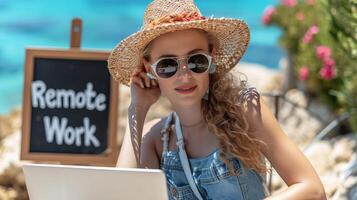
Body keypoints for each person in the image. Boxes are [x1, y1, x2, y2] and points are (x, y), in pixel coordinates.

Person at [108, 0, 327, 199]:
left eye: (196, 61)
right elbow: (119, 195)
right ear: (149, 69)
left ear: (211, 56)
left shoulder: (243, 110)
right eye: (168, 65)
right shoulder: (156, 138)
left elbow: (312, 189)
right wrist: (137, 108)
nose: (184, 75)